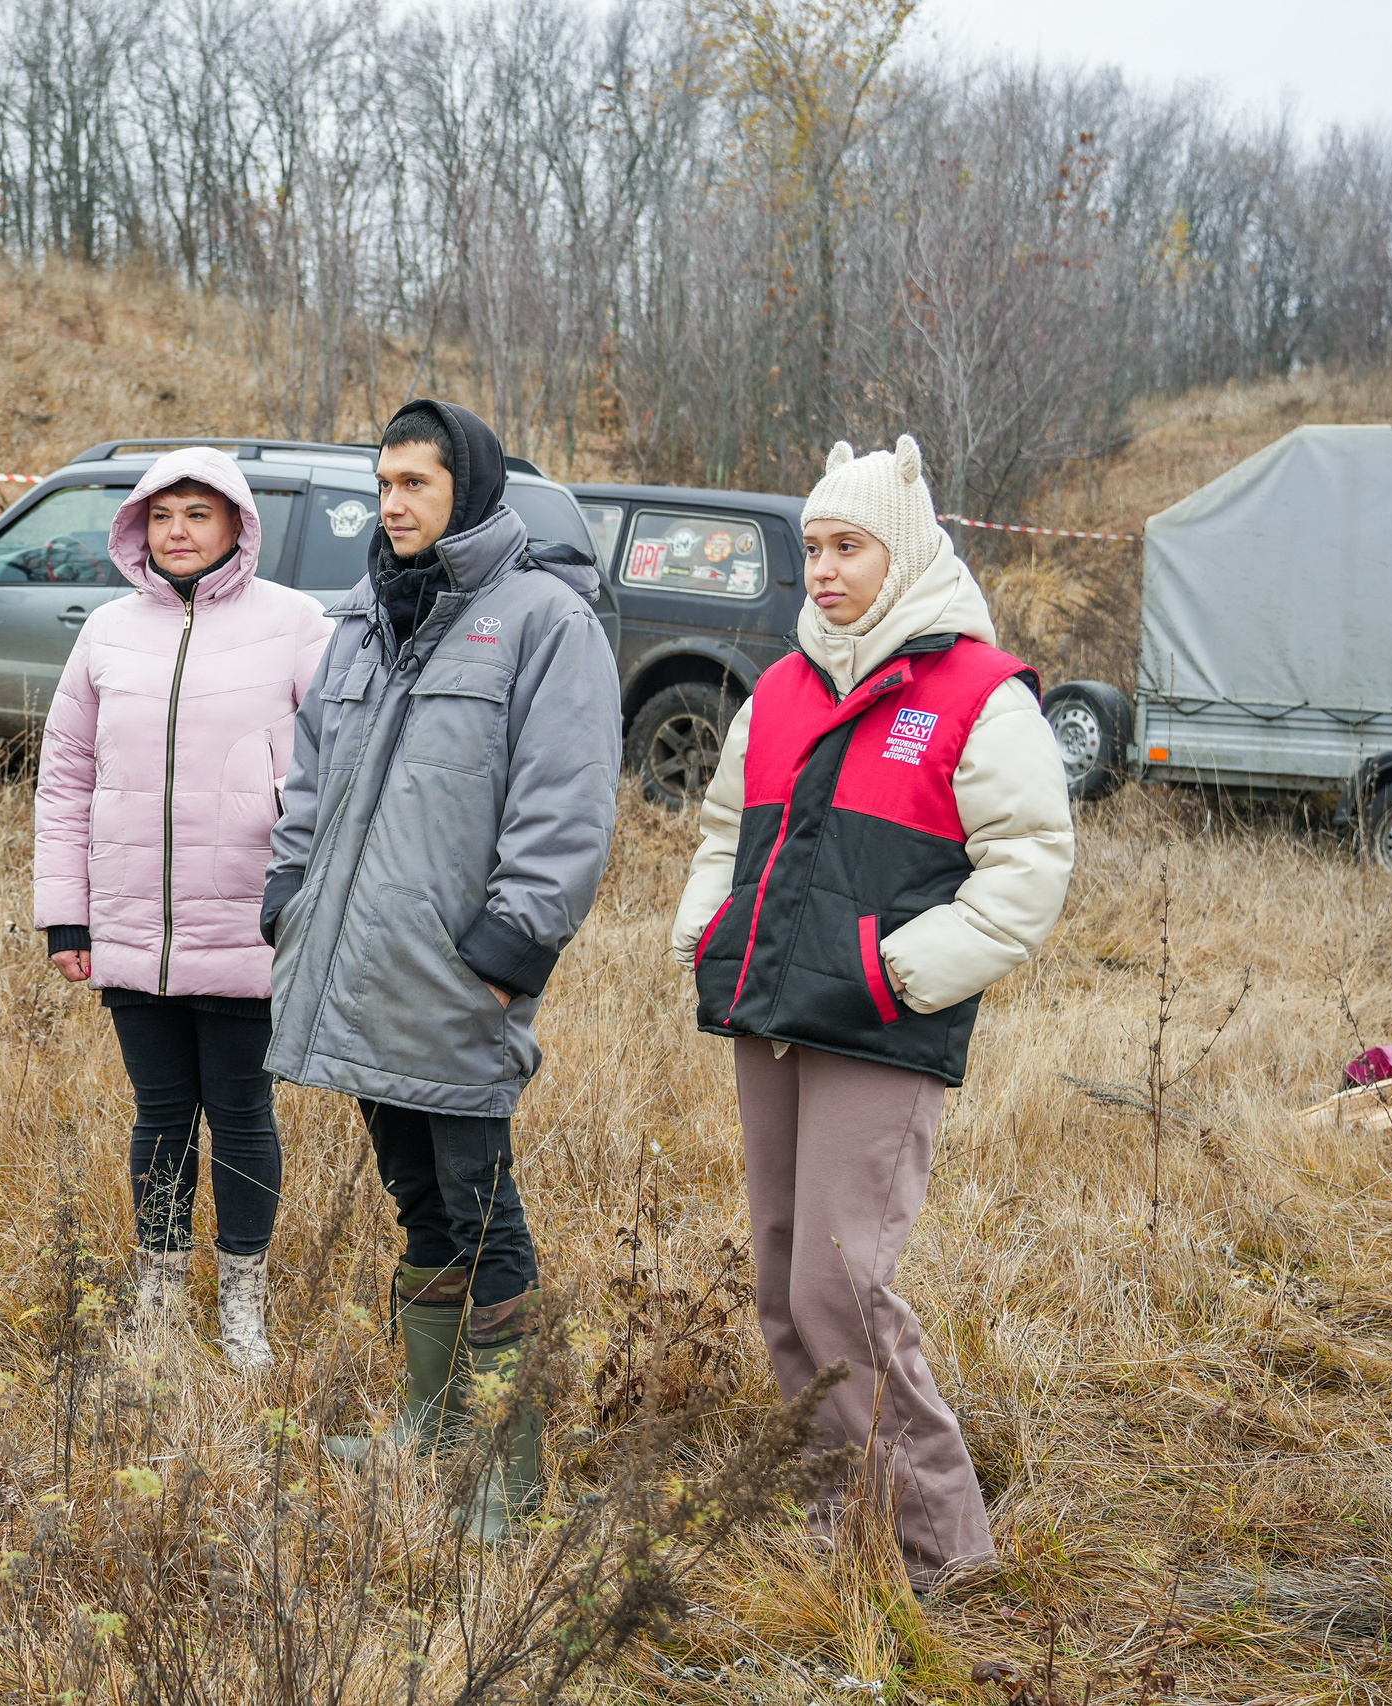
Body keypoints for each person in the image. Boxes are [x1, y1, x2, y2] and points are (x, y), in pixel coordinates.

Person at [669, 436, 1073, 1589]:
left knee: (839, 1285)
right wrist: (705, 930)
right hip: (771, 1010)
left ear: (906, 551)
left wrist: (896, 971)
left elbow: (1029, 866)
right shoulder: (786, 686)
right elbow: (717, 830)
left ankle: (944, 1543)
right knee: (780, 1280)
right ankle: (838, 1513)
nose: (826, 569)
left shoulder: (979, 693)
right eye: (813, 548)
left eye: (849, 546)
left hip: (881, 1024)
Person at [262, 400, 621, 1536]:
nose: (394, 505)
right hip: (360, 968)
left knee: (481, 1214)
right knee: (415, 1199)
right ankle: (431, 1426)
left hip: (457, 978)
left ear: (466, 487)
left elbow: (564, 801)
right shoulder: (366, 618)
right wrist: (289, 893)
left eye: (415, 483)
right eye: (382, 485)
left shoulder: (543, 620)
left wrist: (509, 953)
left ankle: (507, 1476)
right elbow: (311, 774)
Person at [34, 447, 334, 1370]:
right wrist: (66, 915)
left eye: (199, 514)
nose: (179, 532)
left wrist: (306, 892)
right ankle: (160, 1295)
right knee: (158, 1115)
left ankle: (242, 1303)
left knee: (241, 1113)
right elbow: (66, 775)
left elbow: (336, 765)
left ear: (238, 524)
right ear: (137, 527)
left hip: (251, 922)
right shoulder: (109, 632)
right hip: (132, 926)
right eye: (162, 516)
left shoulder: (296, 624)